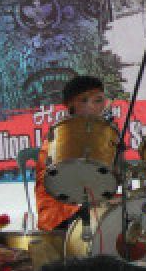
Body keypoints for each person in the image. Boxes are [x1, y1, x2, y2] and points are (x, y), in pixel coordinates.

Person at [35, 75, 108, 231]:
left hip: (90, 208)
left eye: (99, 100)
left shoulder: (103, 137)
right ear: (70, 105)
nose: (95, 106)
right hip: (59, 216)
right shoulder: (57, 141)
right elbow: (60, 186)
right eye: (85, 100)